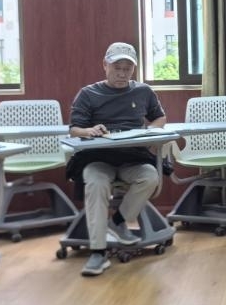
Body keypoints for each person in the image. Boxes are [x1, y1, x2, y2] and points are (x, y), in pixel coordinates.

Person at [65, 42, 166, 276]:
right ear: (105, 65)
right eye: (117, 67)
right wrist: (89, 131)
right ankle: (98, 252)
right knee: (96, 183)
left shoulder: (144, 91)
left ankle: (118, 222)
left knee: (151, 176)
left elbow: (160, 118)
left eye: (127, 69)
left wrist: (151, 132)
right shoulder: (88, 94)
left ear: (134, 69)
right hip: (97, 159)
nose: (122, 73)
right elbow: (74, 129)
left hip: (133, 158)